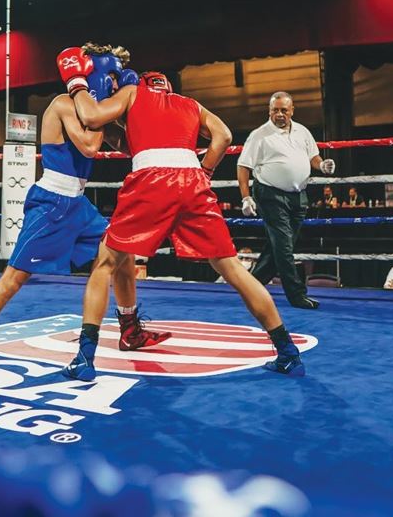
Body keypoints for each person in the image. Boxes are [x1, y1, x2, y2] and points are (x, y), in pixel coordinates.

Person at [63, 64, 307, 381]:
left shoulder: (132, 93)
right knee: (232, 269)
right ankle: (287, 352)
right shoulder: (190, 104)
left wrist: (76, 82)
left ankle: (84, 357)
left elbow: (92, 116)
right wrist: (204, 171)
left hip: (151, 179)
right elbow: (224, 135)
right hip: (192, 180)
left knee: (106, 263)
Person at [0, 43, 140, 382]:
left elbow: (129, 146)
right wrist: (101, 104)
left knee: (123, 254)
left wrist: (125, 110)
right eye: (111, 77)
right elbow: (90, 145)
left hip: (78, 205)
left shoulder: (94, 110)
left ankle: (130, 328)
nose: (114, 83)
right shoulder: (63, 104)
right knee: (13, 280)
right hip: (51, 205)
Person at [236, 92, 336, 310]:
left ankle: (250, 285)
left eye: (284, 110)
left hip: (298, 196)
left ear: (292, 110)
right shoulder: (259, 135)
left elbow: (313, 156)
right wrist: (246, 197)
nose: (279, 114)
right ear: (269, 110)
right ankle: (296, 295)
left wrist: (322, 165)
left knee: (279, 246)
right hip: (270, 195)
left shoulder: (303, 131)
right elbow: (244, 166)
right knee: (283, 248)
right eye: (275, 110)